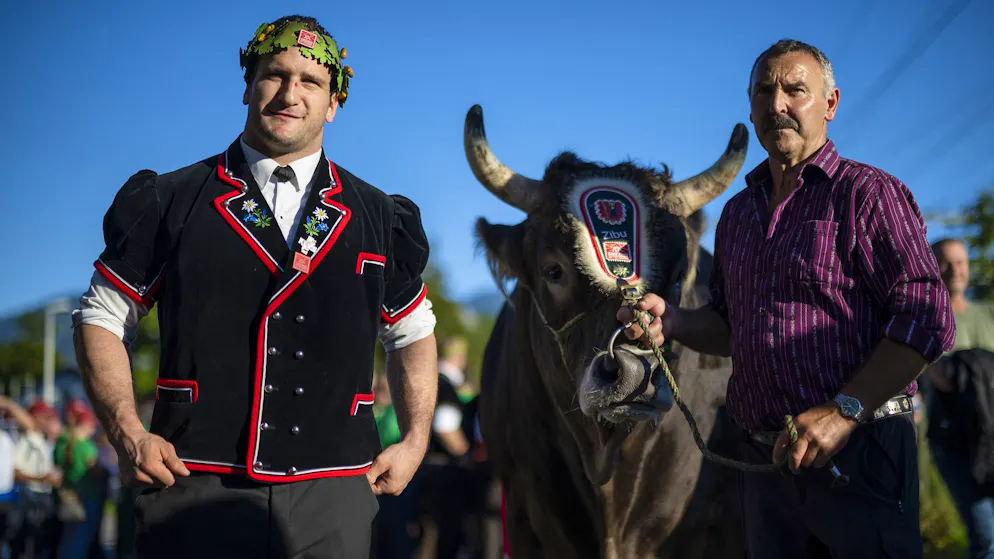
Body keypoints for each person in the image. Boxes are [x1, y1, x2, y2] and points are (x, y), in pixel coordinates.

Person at [71, 14, 439, 559]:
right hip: (191, 483)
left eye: (311, 82)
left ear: (333, 102)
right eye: (275, 74)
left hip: (335, 493)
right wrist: (128, 433)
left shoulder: (379, 215)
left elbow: (412, 334)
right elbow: (101, 316)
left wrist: (414, 442)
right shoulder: (172, 198)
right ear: (248, 85)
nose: (290, 93)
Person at [617, 38, 955, 558]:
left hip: (862, 453)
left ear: (831, 103)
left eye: (796, 89)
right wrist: (676, 322)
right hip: (767, 463)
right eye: (763, 92)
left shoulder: (869, 194)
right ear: (750, 108)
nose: (777, 103)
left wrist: (842, 413)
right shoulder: (737, 216)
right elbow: (732, 327)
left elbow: (928, 320)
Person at [925, 237, 994, 558]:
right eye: (946, 262)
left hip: (991, 437)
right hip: (953, 440)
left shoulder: (988, 314)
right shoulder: (926, 320)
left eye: (961, 262)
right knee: (986, 535)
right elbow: (939, 378)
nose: (955, 270)